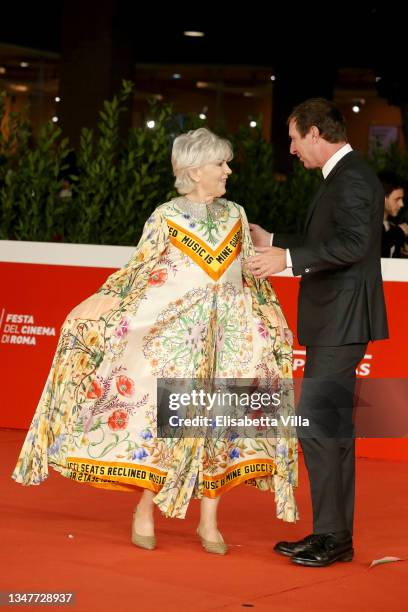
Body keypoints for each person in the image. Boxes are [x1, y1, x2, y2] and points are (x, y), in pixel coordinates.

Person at [13, 127, 297, 555]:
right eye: (220, 163)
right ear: (194, 169)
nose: (228, 169)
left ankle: (209, 521)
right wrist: (103, 301)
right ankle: (145, 510)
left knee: (221, 425)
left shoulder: (236, 213)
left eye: (225, 162)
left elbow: (246, 272)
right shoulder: (164, 216)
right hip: (179, 340)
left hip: (229, 338)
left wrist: (269, 313)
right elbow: (139, 272)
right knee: (167, 428)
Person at [247, 98, 388, 567]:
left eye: (292, 138)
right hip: (337, 319)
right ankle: (332, 534)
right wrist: (276, 241)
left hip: (342, 320)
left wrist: (285, 260)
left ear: (314, 134)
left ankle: (332, 536)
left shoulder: (351, 179)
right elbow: (333, 239)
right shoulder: (344, 177)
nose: (290, 149)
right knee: (331, 431)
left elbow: (351, 245)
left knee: (319, 427)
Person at [378, 171, 407, 257]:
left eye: (402, 199)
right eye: (397, 199)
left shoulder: (392, 226)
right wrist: (396, 233)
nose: (401, 204)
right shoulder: (364, 225)